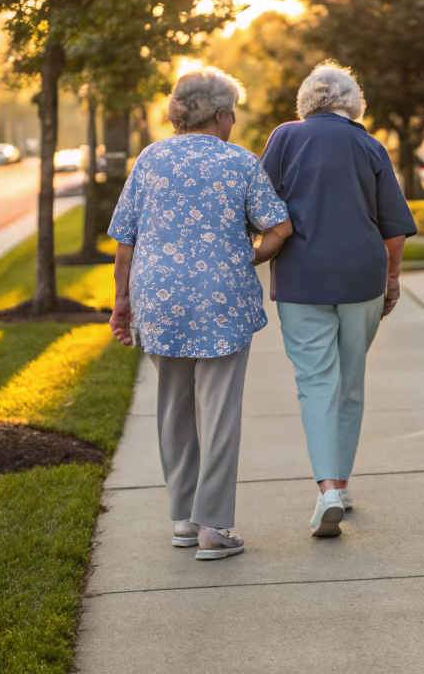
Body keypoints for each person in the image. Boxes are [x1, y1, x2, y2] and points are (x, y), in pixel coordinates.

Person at [108, 68, 292, 561]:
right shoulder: (240, 162)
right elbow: (280, 227)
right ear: (221, 114)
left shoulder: (150, 159)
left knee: (173, 407)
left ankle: (184, 520)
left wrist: (122, 304)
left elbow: (125, 239)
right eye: (232, 114)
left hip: (158, 297)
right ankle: (213, 527)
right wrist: (248, 255)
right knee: (219, 410)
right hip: (221, 297)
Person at [260, 63, 416, 537]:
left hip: (302, 279)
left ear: (306, 103)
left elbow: (261, 207)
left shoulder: (284, 138)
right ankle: (341, 485)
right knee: (351, 380)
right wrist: (391, 280)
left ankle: (328, 488)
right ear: (354, 103)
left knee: (316, 383)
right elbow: (393, 229)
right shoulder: (369, 145)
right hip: (361, 278)